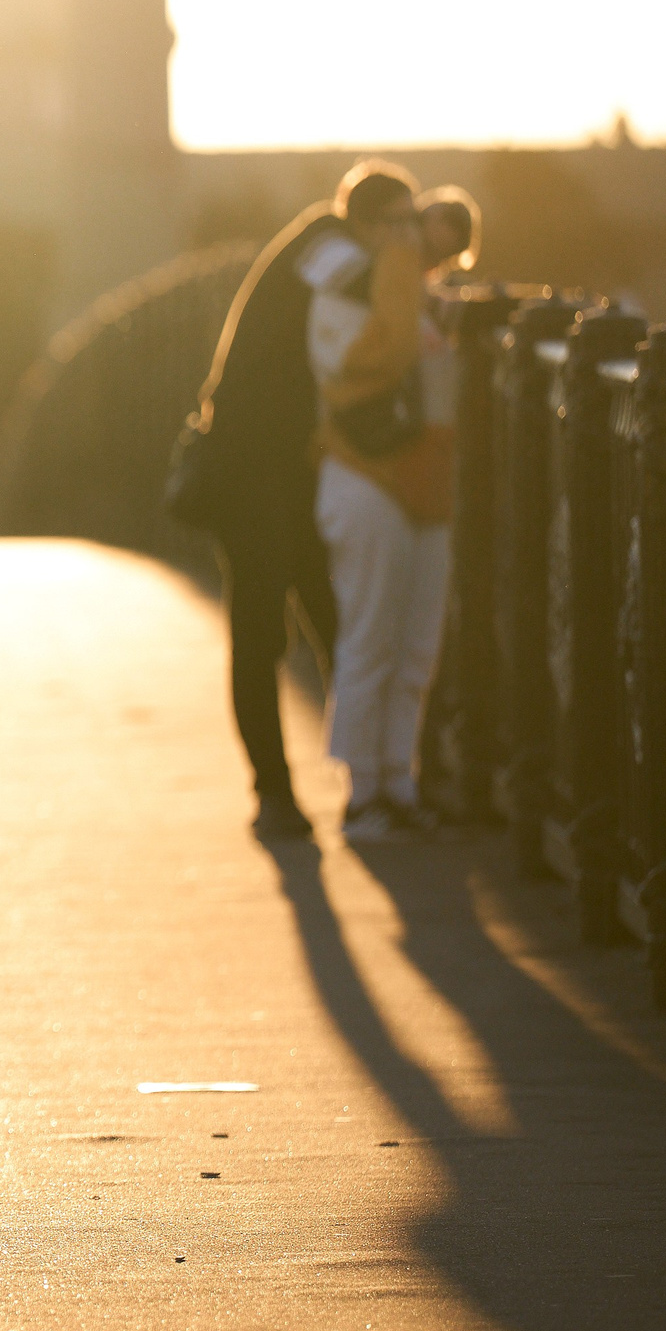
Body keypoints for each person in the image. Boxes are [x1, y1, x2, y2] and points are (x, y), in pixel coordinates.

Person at [190, 168, 372, 839]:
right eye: (400, 227)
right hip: (251, 471)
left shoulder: (327, 242)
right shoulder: (326, 241)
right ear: (371, 221)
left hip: (287, 470)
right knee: (267, 628)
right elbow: (362, 285)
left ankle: (367, 777)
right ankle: (275, 791)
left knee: (334, 614)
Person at [305, 184, 479, 840]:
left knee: (416, 647)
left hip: (427, 489)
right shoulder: (345, 285)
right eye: (401, 221)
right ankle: (361, 793)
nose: (416, 234)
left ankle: (398, 780)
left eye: (422, 222)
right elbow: (374, 361)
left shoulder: (422, 296)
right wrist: (404, 272)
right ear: (372, 225)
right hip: (365, 477)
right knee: (370, 638)